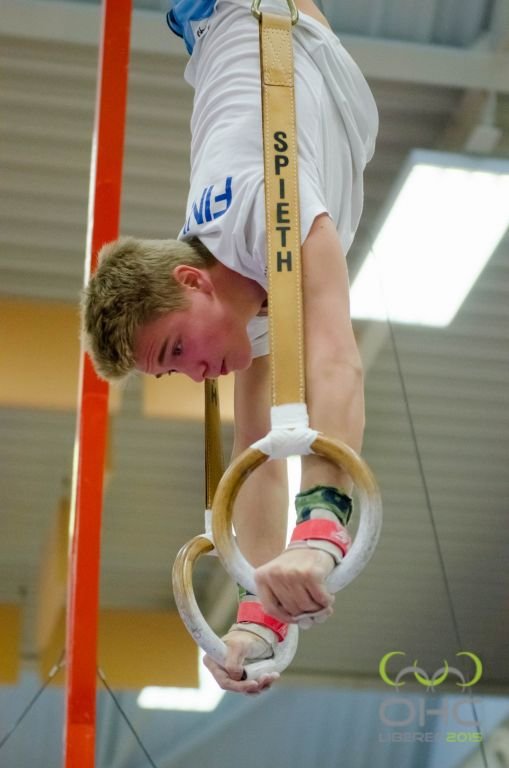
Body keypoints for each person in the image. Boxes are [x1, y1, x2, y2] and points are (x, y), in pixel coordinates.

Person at [82, 0, 378, 694]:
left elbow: (336, 361)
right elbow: (258, 453)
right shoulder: (246, 293)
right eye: (173, 370)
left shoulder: (265, 209)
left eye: (175, 349)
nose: (194, 374)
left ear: (192, 280)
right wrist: (257, 620)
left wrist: (321, 529)